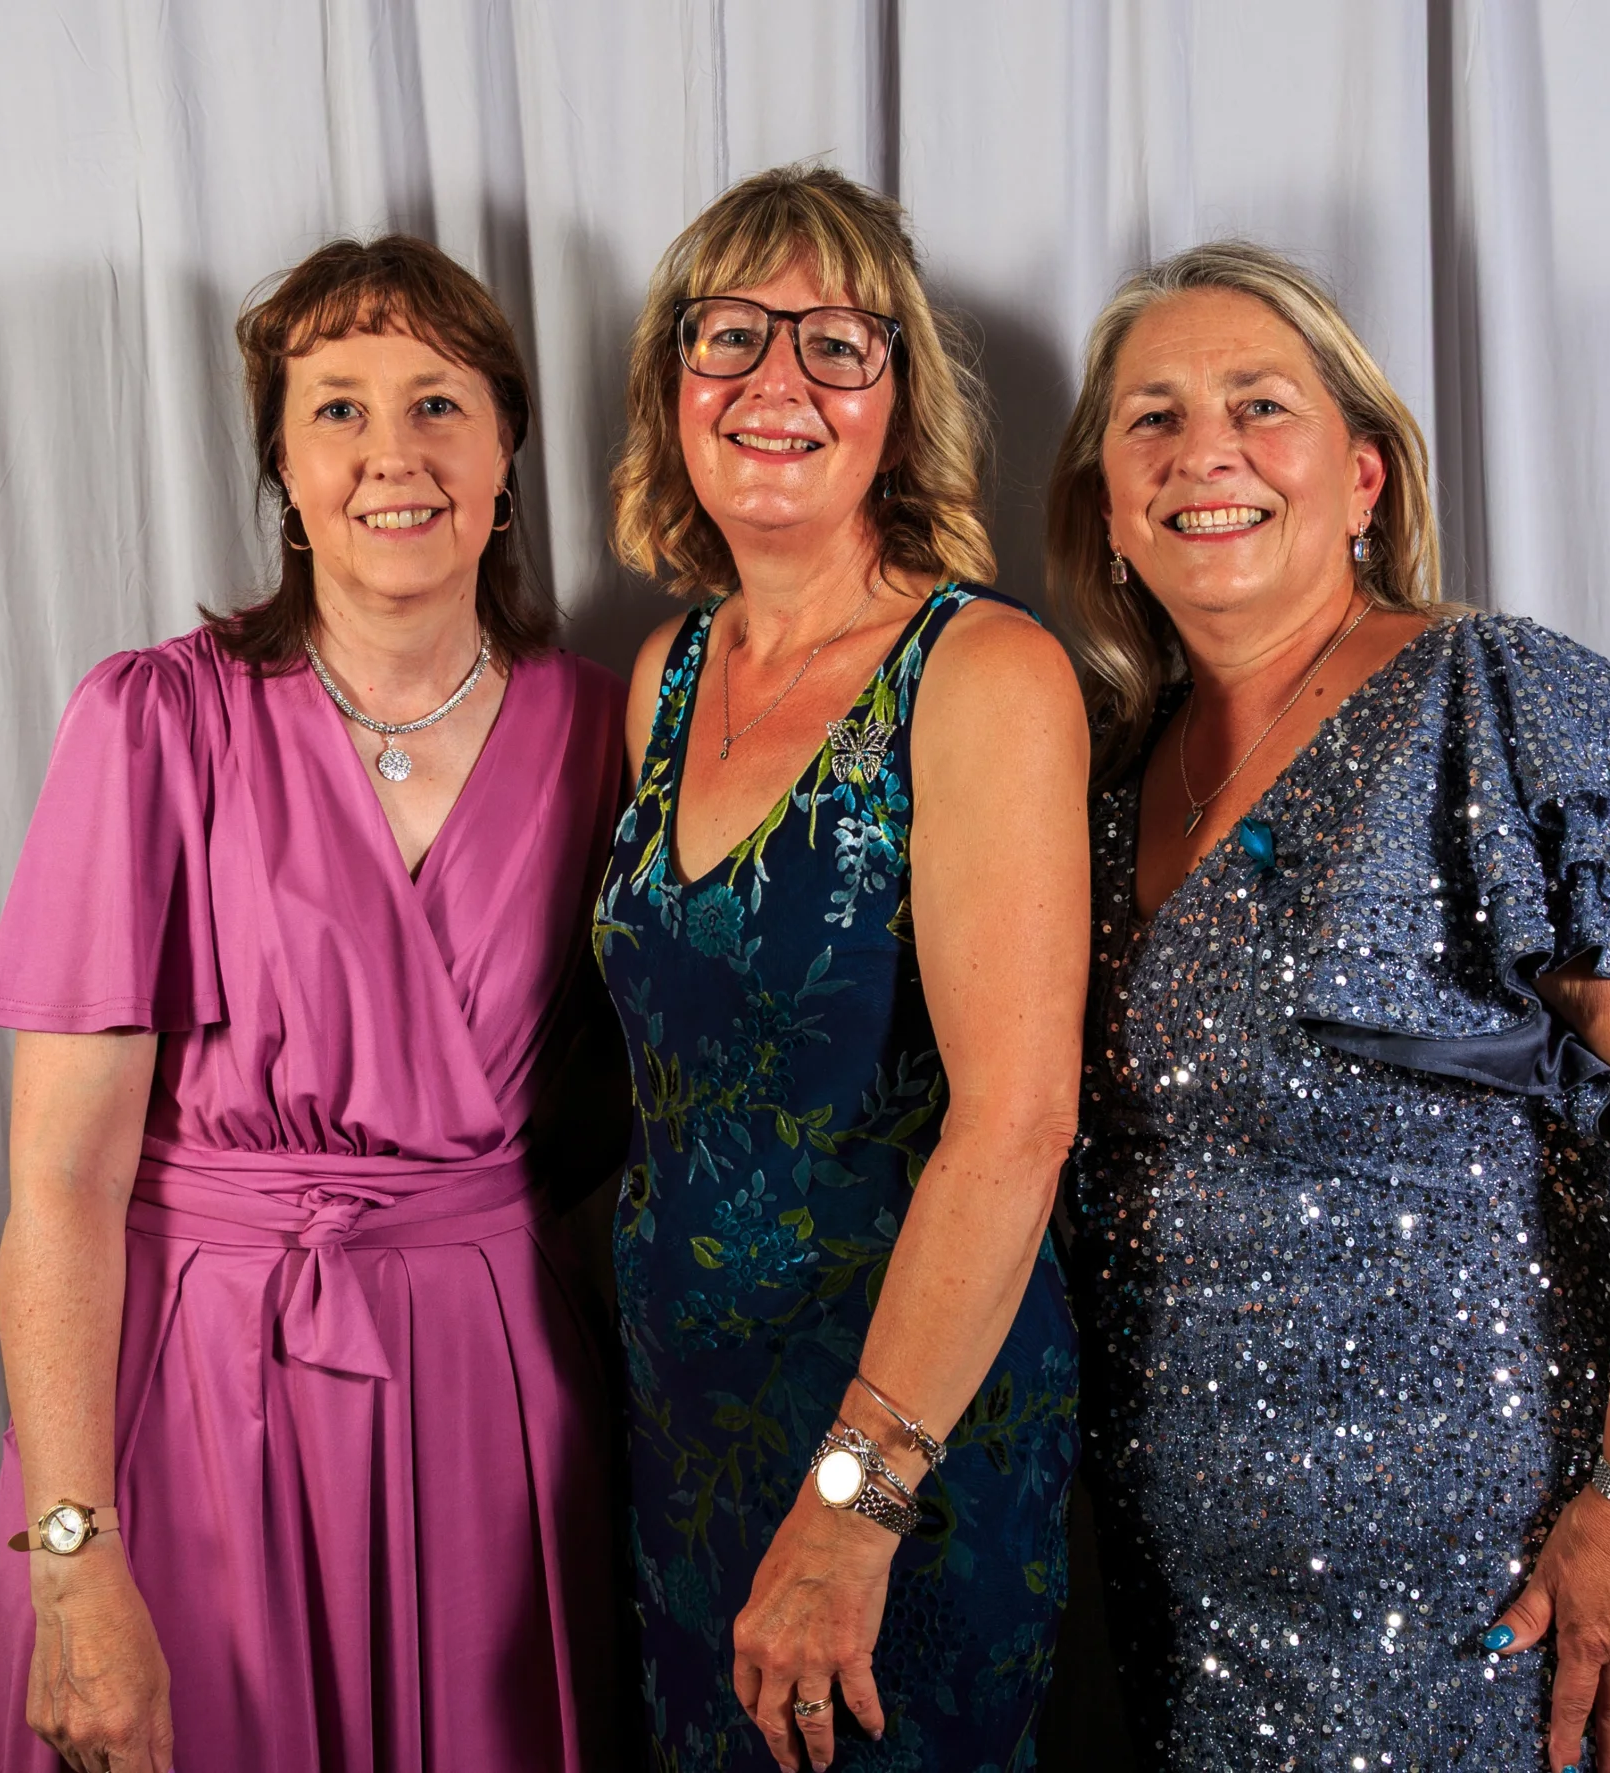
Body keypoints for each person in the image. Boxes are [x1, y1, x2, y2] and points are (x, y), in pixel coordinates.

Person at [1047, 240, 1610, 1773]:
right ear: (1110, 509)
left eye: (1262, 406)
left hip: (1473, 1582)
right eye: (1153, 418)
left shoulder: (1501, 700)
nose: (1208, 453)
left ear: (1365, 478)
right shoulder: (1101, 781)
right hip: (1166, 1574)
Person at [0, 235, 626, 1772]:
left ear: (511, 444)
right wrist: (75, 1557)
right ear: (279, 456)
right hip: (191, 1396)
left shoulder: (613, 726)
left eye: (438, 404)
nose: (392, 455)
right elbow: (61, 1178)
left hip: (496, 1397)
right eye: (337, 409)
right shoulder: (152, 720)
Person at [594, 165, 1089, 1772]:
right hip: (682, 1428)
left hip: (902, 1442)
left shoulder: (984, 671)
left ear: (901, 397)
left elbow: (1016, 1125)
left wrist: (852, 1513)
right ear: (673, 387)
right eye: (727, 337)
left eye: (834, 344)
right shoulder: (669, 672)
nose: (774, 383)